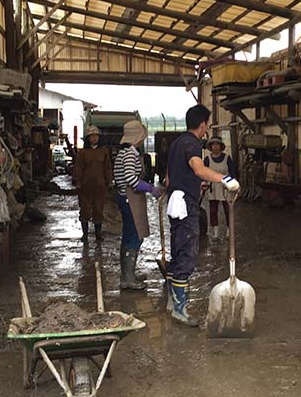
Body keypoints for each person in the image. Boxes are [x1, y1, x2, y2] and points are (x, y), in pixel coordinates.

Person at [165, 105, 239, 326]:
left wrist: (199, 183)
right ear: (202, 124)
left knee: (177, 251)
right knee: (187, 254)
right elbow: (198, 168)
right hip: (185, 205)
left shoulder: (177, 143)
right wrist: (225, 179)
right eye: (207, 123)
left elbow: (170, 178)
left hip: (174, 202)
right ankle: (180, 310)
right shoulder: (192, 144)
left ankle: (171, 302)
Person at [114, 120, 161, 290]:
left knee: (128, 236)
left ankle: (127, 274)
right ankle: (127, 278)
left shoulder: (124, 152)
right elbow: (131, 180)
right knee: (135, 236)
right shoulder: (129, 154)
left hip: (125, 197)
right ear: (137, 137)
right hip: (130, 199)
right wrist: (150, 188)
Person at [74, 126, 112, 243]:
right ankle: (85, 235)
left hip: (100, 186)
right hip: (85, 186)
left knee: (98, 209)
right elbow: (78, 168)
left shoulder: (104, 151)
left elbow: (107, 167)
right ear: (88, 138)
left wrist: (109, 181)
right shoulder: (83, 153)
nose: (94, 138)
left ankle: (98, 235)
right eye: (92, 136)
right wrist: (77, 181)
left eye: (96, 136)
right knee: (85, 209)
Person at [203, 136, 235, 240]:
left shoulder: (227, 158)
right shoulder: (207, 160)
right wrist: (204, 184)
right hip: (213, 187)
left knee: (228, 209)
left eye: (217, 144)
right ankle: (215, 233)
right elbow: (204, 173)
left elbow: (232, 173)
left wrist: (233, 186)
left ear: (221, 146)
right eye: (213, 144)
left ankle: (229, 231)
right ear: (211, 147)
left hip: (225, 187)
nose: (215, 147)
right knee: (213, 210)